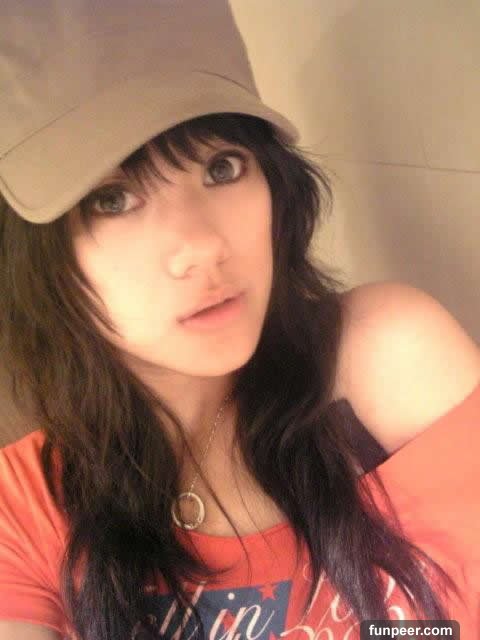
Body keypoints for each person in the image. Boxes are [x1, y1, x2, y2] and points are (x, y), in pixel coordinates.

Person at [0, 2, 479, 639]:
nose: (203, 245)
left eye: (221, 167)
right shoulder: (26, 509)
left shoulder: (382, 357)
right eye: (110, 199)